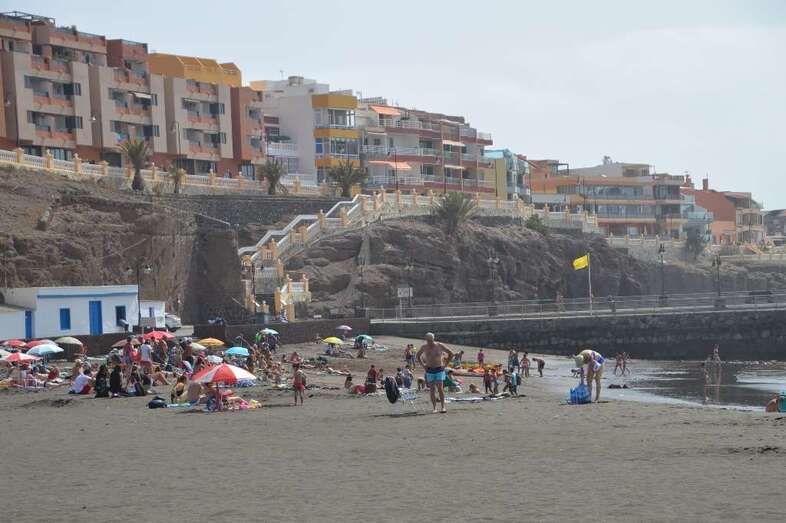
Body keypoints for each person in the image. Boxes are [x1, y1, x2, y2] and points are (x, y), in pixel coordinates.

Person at [415, 332, 454, 413]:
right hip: (429, 369)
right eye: (428, 340)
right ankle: (434, 408)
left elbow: (451, 353)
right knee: (432, 389)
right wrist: (423, 365)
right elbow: (418, 356)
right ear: (426, 340)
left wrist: (446, 365)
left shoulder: (439, 345)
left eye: (430, 340)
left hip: (439, 368)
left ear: (433, 339)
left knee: (440, 387)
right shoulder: (424, 347)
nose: (429, 342)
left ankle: (443, 407)